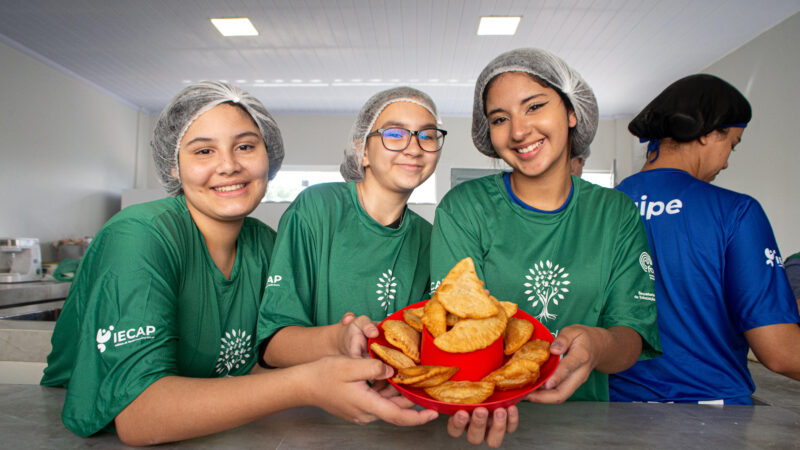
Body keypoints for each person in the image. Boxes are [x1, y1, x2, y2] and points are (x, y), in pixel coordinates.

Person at [40, 81, 436, 446]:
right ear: (173, 166)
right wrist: (306, 384)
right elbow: (139, 415)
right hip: (62, 426)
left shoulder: (263, 246)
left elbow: (253, 367)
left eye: (245, 146)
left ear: (270, 157)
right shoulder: (140, 235)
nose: (228, 165)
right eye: (203, 151)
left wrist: (341, 343)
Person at [430, 48, 661, 447]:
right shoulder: (466, 208)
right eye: (500, 119)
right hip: (483, 424)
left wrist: (597, 345)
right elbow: (454, 326)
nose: (518, 131)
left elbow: (632, 334)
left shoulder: (615, 214)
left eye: (534, 106)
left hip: (582, 425)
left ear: (572, 113)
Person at [610, 74, 800, 404]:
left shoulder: (602, 208)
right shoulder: (736, 213)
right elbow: (781, 352)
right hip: (711, 417)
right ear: (708, 133)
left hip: (611, 414)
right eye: (731, 145)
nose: (726, 161)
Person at [257, 86, 444, 367]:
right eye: (395, 134)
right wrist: (338, 340)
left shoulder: (428, 239)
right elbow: (273, 347)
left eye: (427, 135)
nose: (414, 148)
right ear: (362, 150)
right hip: (313, 406)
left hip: (393, 403)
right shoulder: (318, 209)